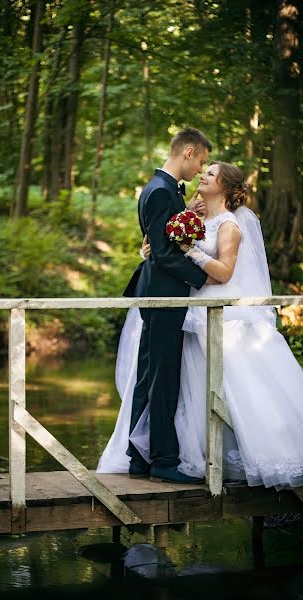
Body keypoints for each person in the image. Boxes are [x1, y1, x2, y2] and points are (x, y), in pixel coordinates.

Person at [97, 160, 303, 489]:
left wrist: (189, 250)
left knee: (233, 386)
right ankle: (191, 454)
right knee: (190, 387)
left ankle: (251, 451)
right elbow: (170, 247)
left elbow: (223, 273)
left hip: (215, 311)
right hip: (191, 311)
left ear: (223, 187)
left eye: (210, 174)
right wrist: (151, 250)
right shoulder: (195, 218)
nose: (202, 175)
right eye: (203, 170)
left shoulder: (230, 225)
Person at [119, 127, 213, 485]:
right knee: (163, 378)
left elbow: (159, 243)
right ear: (188, 152)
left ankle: (138, 458)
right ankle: (163, 459)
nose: (201, 170)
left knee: (149, 374)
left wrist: (186, 211)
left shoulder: (162, 190)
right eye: (201, 161)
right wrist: (205, 278)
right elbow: (162, 254)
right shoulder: (160, 192)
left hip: (157, 292)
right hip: (164, 294)